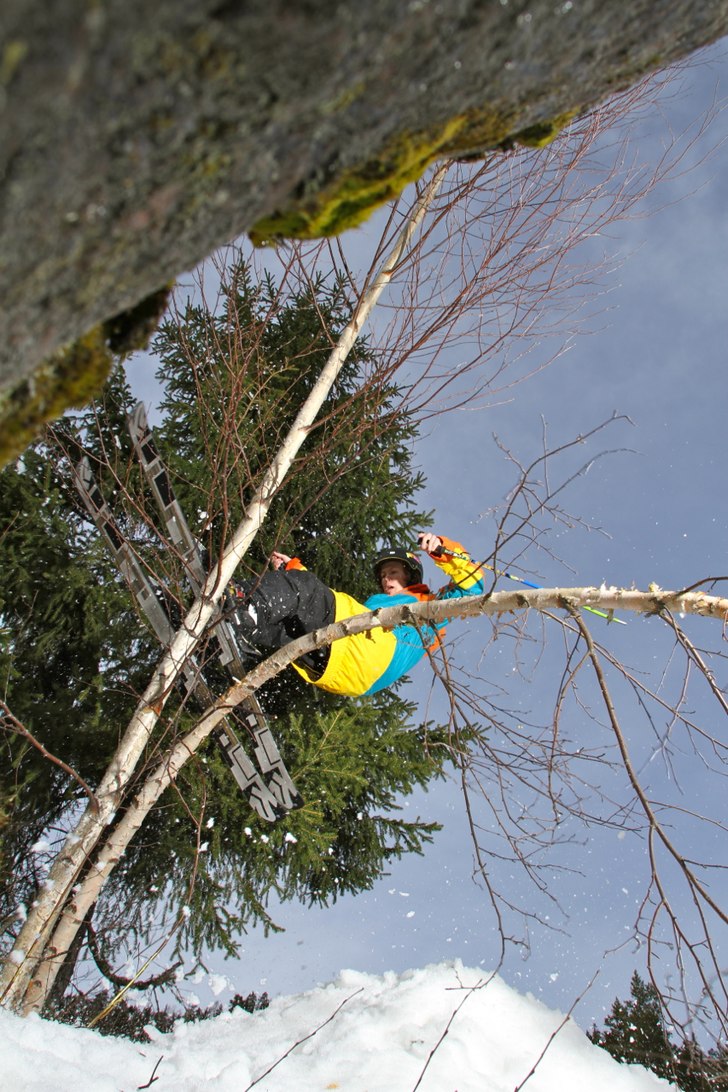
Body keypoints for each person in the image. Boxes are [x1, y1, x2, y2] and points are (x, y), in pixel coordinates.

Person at [225, 532, 485, 697]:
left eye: (393, 573)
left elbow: (472, 588)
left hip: (370, 655)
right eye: (383, 576)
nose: (386, 579)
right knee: (291, 625)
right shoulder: (376, 610)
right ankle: (238, 632)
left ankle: (238, 607)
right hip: (346, 672)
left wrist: (442, 548)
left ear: (411, 576)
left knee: (306, 589)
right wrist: (292, 569)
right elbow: (320, 609)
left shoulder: (429, 609)